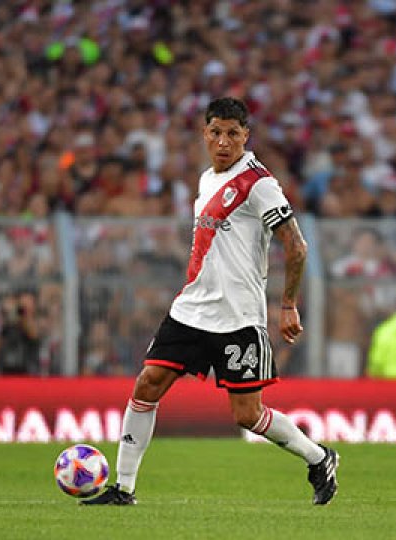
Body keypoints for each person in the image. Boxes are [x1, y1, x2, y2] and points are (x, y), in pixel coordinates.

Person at [82, 97, 339, 507]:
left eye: (232, 134)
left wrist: (288, 304)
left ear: (245, 136)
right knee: (147, 384)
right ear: (205, 133)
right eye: (216, 132)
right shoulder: (205, 180)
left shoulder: (259, 183)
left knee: (247, 415)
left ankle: (319, 457)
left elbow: (297, 247)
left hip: (238, 317)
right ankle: (123, 488)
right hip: (191, 308)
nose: (223, 141)